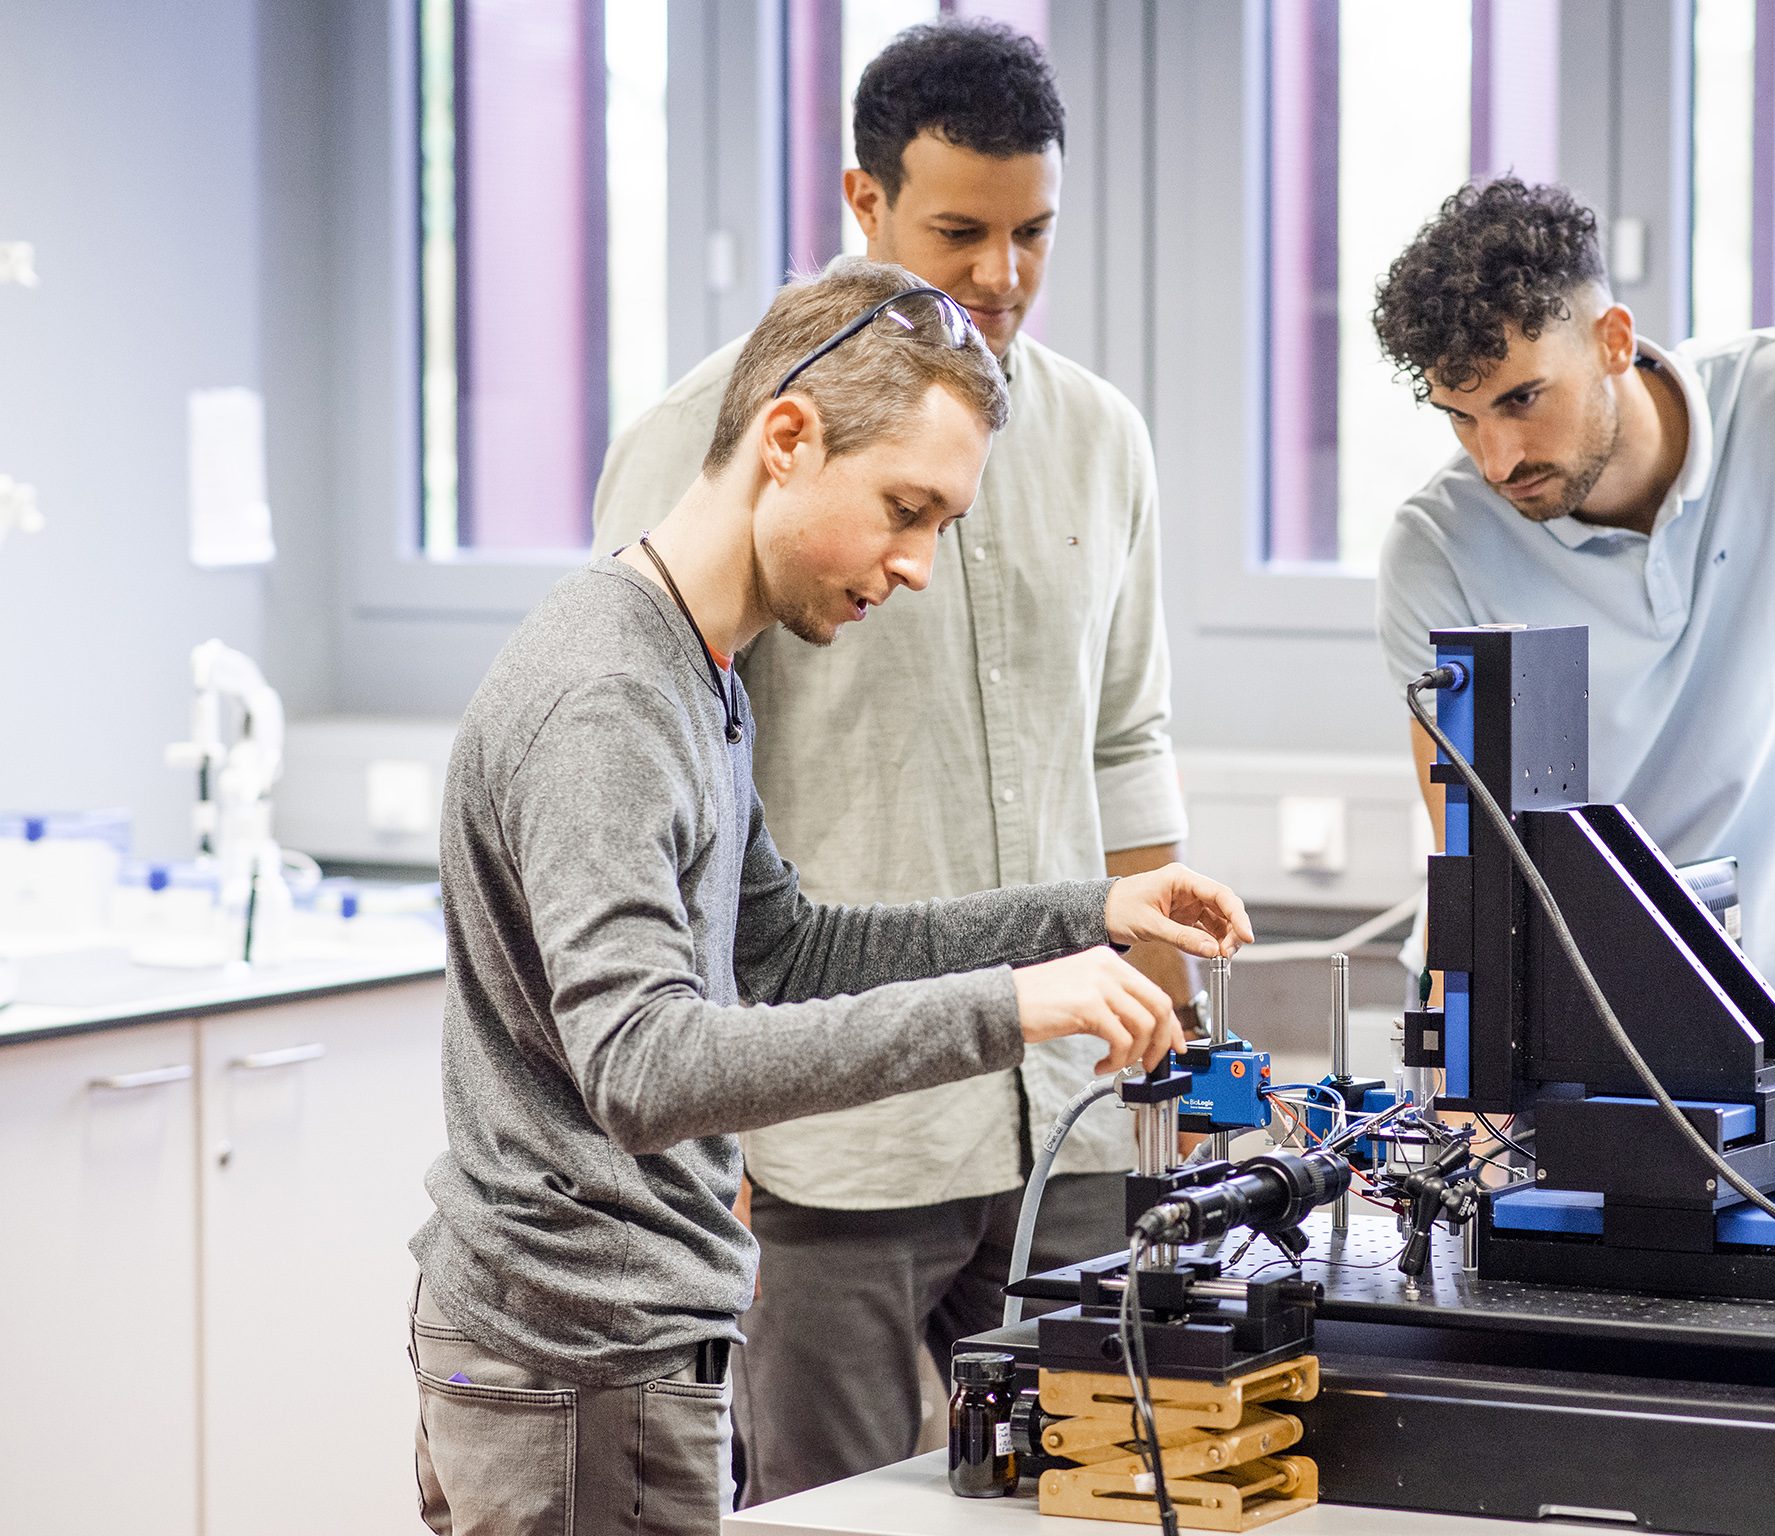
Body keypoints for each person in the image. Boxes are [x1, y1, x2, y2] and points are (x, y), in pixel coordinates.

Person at [409, 259, 1251, 1535]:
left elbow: (789, 949)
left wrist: (1088, 916)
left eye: (941, 528)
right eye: (904, 509)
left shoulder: (699, 672)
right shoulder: (611, 702)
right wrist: (1014, 1006)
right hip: (578, 1368)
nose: (916, 565)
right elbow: (641, 1067)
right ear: (788, 439)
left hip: (609, 1353)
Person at [588, 19, 1185, 1503]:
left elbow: (1128, 739)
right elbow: (666, 824)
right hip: (830, 1148)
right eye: (960, 231)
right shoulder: (708, 444)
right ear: (865, 207)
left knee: (1103, 1500)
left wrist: (1159, 1023)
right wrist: (703, 1136)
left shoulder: (1104, 440)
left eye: (1033, 232)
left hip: (1066, 1125)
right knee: (833, 1513)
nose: (1000, 276)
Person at [1373, 178, 1775, 1056]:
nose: (1497, 460)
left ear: (1613, 342)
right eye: (1461, 419)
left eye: (1521, 399)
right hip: (1559, 1016)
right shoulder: (1436, 547)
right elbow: (1480, 855)